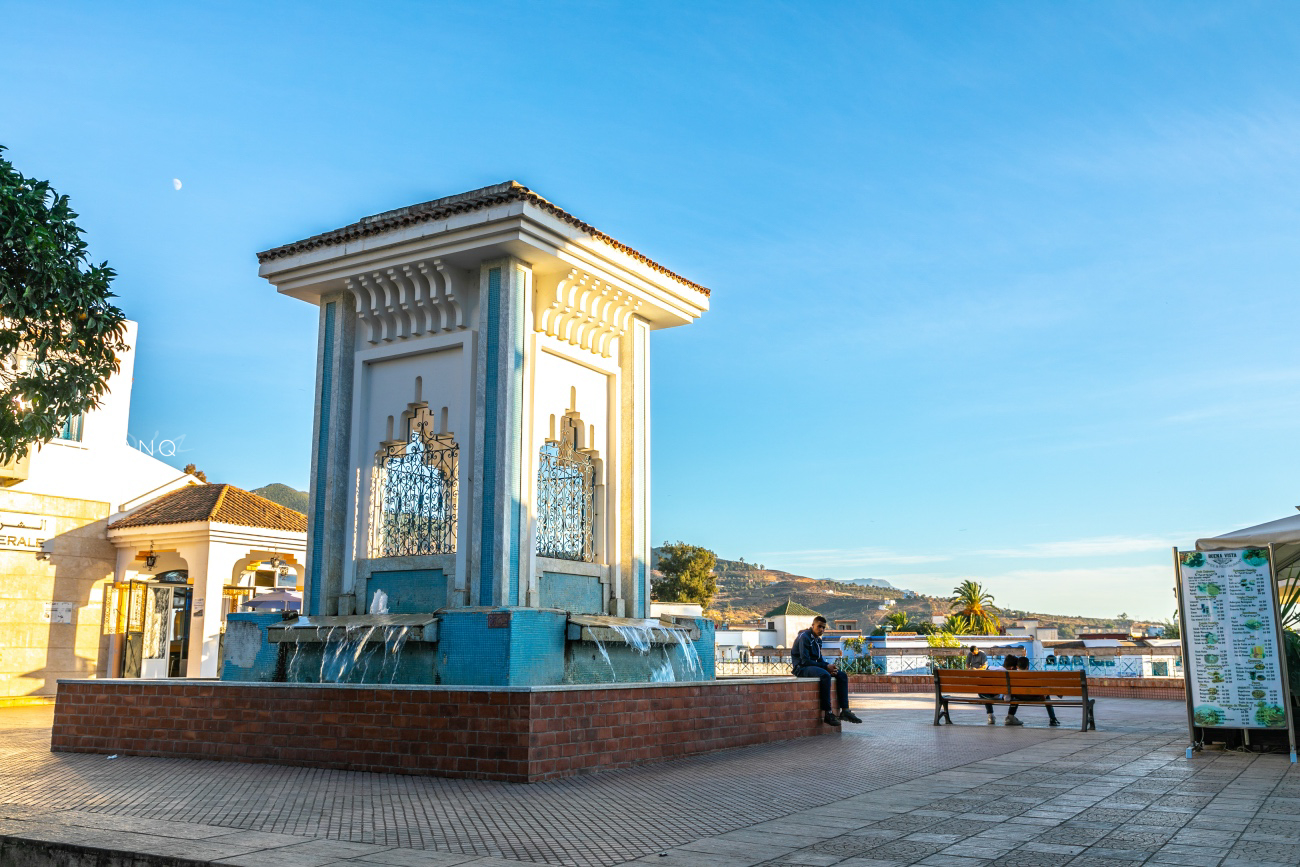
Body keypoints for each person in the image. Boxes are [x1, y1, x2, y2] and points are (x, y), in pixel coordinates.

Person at [792, 616, 862, 726]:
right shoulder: (804, 637)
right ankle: (828, 713)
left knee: (842, 675)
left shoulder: (818, 641)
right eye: (819, 626)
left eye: (823, 628)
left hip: (813, 667)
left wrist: (829, 667)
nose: (821, 630)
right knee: (825, 675)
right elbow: (805, 661)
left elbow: (819, 660)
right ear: (813, 625)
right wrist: (825, 668)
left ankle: (845, 710)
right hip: (801, 668)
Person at [1014, 655, 1059, 726]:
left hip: (1018, 697)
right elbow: (1039, 689)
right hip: (1034, 697)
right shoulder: (1032, 675)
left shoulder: (1013, 676)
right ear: (1027, 667)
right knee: (1046, 694)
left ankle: (1010, 716)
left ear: (1017, 667)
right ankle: (1052, 719)